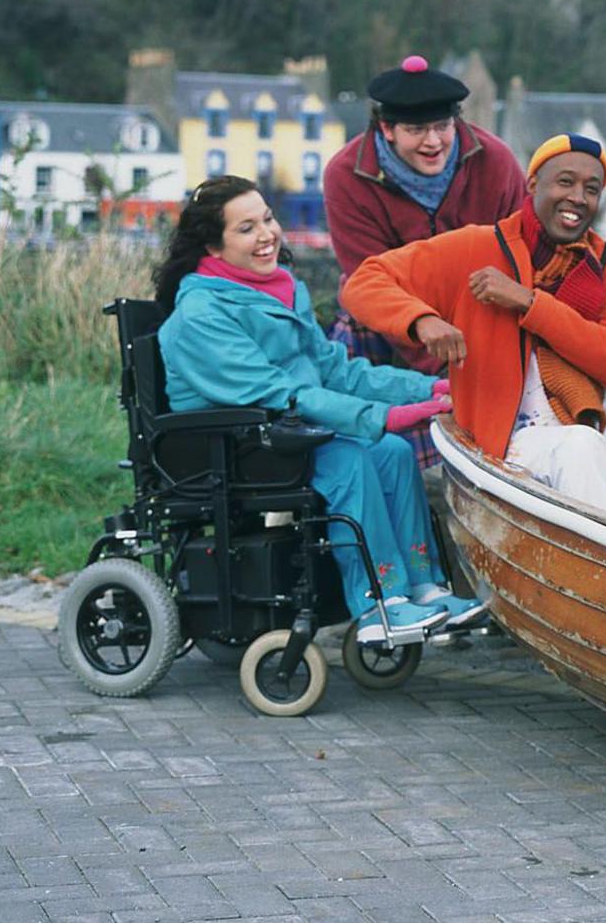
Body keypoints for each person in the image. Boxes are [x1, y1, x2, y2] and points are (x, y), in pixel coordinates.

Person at [154, 176, 485, 642]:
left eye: (267, 219)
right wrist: (379, 416)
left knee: (391, 453)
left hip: (288, 431)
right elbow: (275, 391)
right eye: (246, 228)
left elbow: (334, 369)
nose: (267, 234)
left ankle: (423, 590)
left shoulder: (281, 287)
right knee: (351, 457)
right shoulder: (199, 315)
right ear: (212, 245)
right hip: (231, 444)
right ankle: (378, 603)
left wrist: (428, 388)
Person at [339, 133, 606, 537]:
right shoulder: (475, 247)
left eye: (591, 188)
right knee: (579, 449)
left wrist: (529, 303)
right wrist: (421, 320)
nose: (578, 197)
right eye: (565, 182)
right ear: (532, 186)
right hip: (509, 446)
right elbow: (365, 281)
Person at [323, 54, 528, 464]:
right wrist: (446, 367)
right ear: (387, 129)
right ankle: (365, 449)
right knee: (354, 322)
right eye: (416, 130)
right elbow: (369, 278)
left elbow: (522, 260)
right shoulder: (345, 175)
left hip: (485, 315)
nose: (433, 142)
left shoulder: (497, 162)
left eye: (441, 127)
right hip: (392, 320)